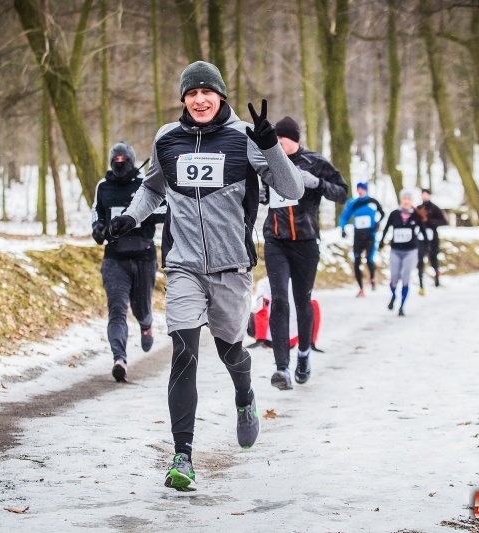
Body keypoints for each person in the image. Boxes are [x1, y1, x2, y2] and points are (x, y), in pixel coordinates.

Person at [108, 61, 303, 491]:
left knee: (231, 351)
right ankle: (182, 456)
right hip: (183, 265)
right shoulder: (166, 139)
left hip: (232, 268)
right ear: (183, 99)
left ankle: (244, 396)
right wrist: (129, 217)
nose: (199, 99)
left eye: (206, 92)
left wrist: (270, 145)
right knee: (184, 351)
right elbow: (153, 188)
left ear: (221, 96)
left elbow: (292, 191)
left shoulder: (244, 139)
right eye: (191, 93)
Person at [262, 116, 347, 390]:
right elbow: (254, 191)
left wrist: (318, 184)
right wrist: (262, 195)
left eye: (282, 139)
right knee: (278, 298)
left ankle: (303, 355)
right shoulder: (268, 161)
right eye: (275, 139)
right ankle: (282, 368)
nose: (277, 143)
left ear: (294, 139)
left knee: (302, 300)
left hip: (306, 242)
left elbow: (342, 193)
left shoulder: (315, 162)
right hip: (276, 240)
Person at [92, 142, 165, 382]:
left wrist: (141, 215)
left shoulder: (145, 186)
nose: (120, 163)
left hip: (143, 256)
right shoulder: (103, 187)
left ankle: (146, 324)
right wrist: (99, 228)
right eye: (116, 160)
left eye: (125, 159)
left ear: (132, 161)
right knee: (117, 309)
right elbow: (97, 215)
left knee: (140, 309)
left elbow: (165, 210)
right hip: (115, 259)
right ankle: (119, 359)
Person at [378, 191, 427, 316]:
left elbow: (423, 231)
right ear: (401, 200)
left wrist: (426, 246)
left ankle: (401, 306)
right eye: (404, 198)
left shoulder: (416, 215)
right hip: (395, 250)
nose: (406, 201)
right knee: (394, 277)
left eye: (408, 199)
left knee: (405, 277)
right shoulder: (394, 214)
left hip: (410, 251)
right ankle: (394, 296)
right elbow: (387, 228)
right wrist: (382, 242)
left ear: (411, 201)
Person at [338, 182, 385, 297]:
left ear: (366, 190)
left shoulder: (373, 202)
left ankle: (373, 277)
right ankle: (361, 288)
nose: (360, 191)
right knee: (357, 261)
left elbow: (382, 213)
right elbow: (345, 216)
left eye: (362, 189)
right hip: (358, 236)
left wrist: (377, 223)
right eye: (358, 189)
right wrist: (342, 228)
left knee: (369, 259)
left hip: (370, 235)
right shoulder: (353, 203)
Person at [415, 188, 448, 294]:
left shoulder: (434, 208)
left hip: (433, 237)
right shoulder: (419, 208)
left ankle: (437, 279)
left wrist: (429, 221)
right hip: (421, 237)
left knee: (433, 258)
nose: (424, 196)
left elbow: (443, 221)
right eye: (423, 195)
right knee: (420, 259)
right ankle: (420, 280)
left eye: (426, 195)